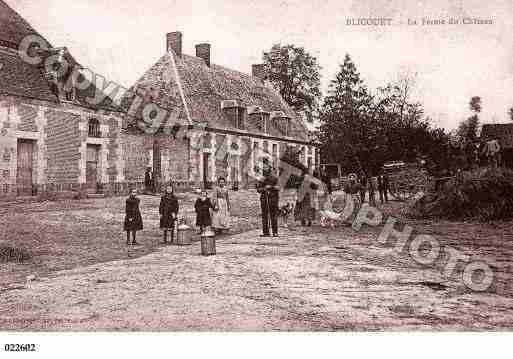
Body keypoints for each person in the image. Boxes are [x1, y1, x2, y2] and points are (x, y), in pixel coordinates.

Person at [257, 171, 280, 237]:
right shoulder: (261, 179)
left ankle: (275, 232)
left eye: (267, 167)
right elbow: (258, 189)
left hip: (273, 199)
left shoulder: (275, 178)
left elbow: (279, 187)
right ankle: (266, 232)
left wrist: (271, 187)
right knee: (264, 216)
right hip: (264, 199)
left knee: (274, 216)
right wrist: (264, 188)